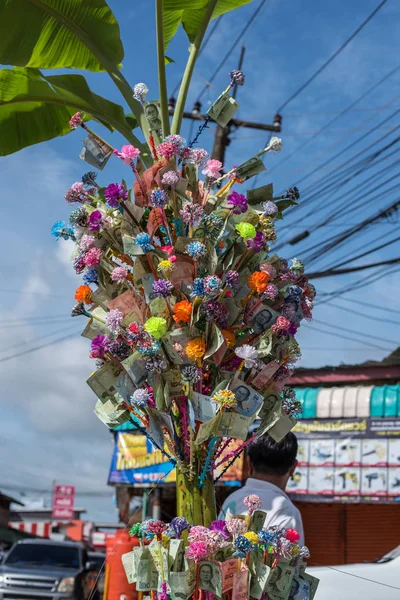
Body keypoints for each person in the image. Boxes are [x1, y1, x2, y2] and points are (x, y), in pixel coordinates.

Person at [219, 432, 304, 544]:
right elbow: (287, 560)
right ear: (293, 467)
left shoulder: (232, 499)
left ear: (248, 463)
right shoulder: (286, 511)